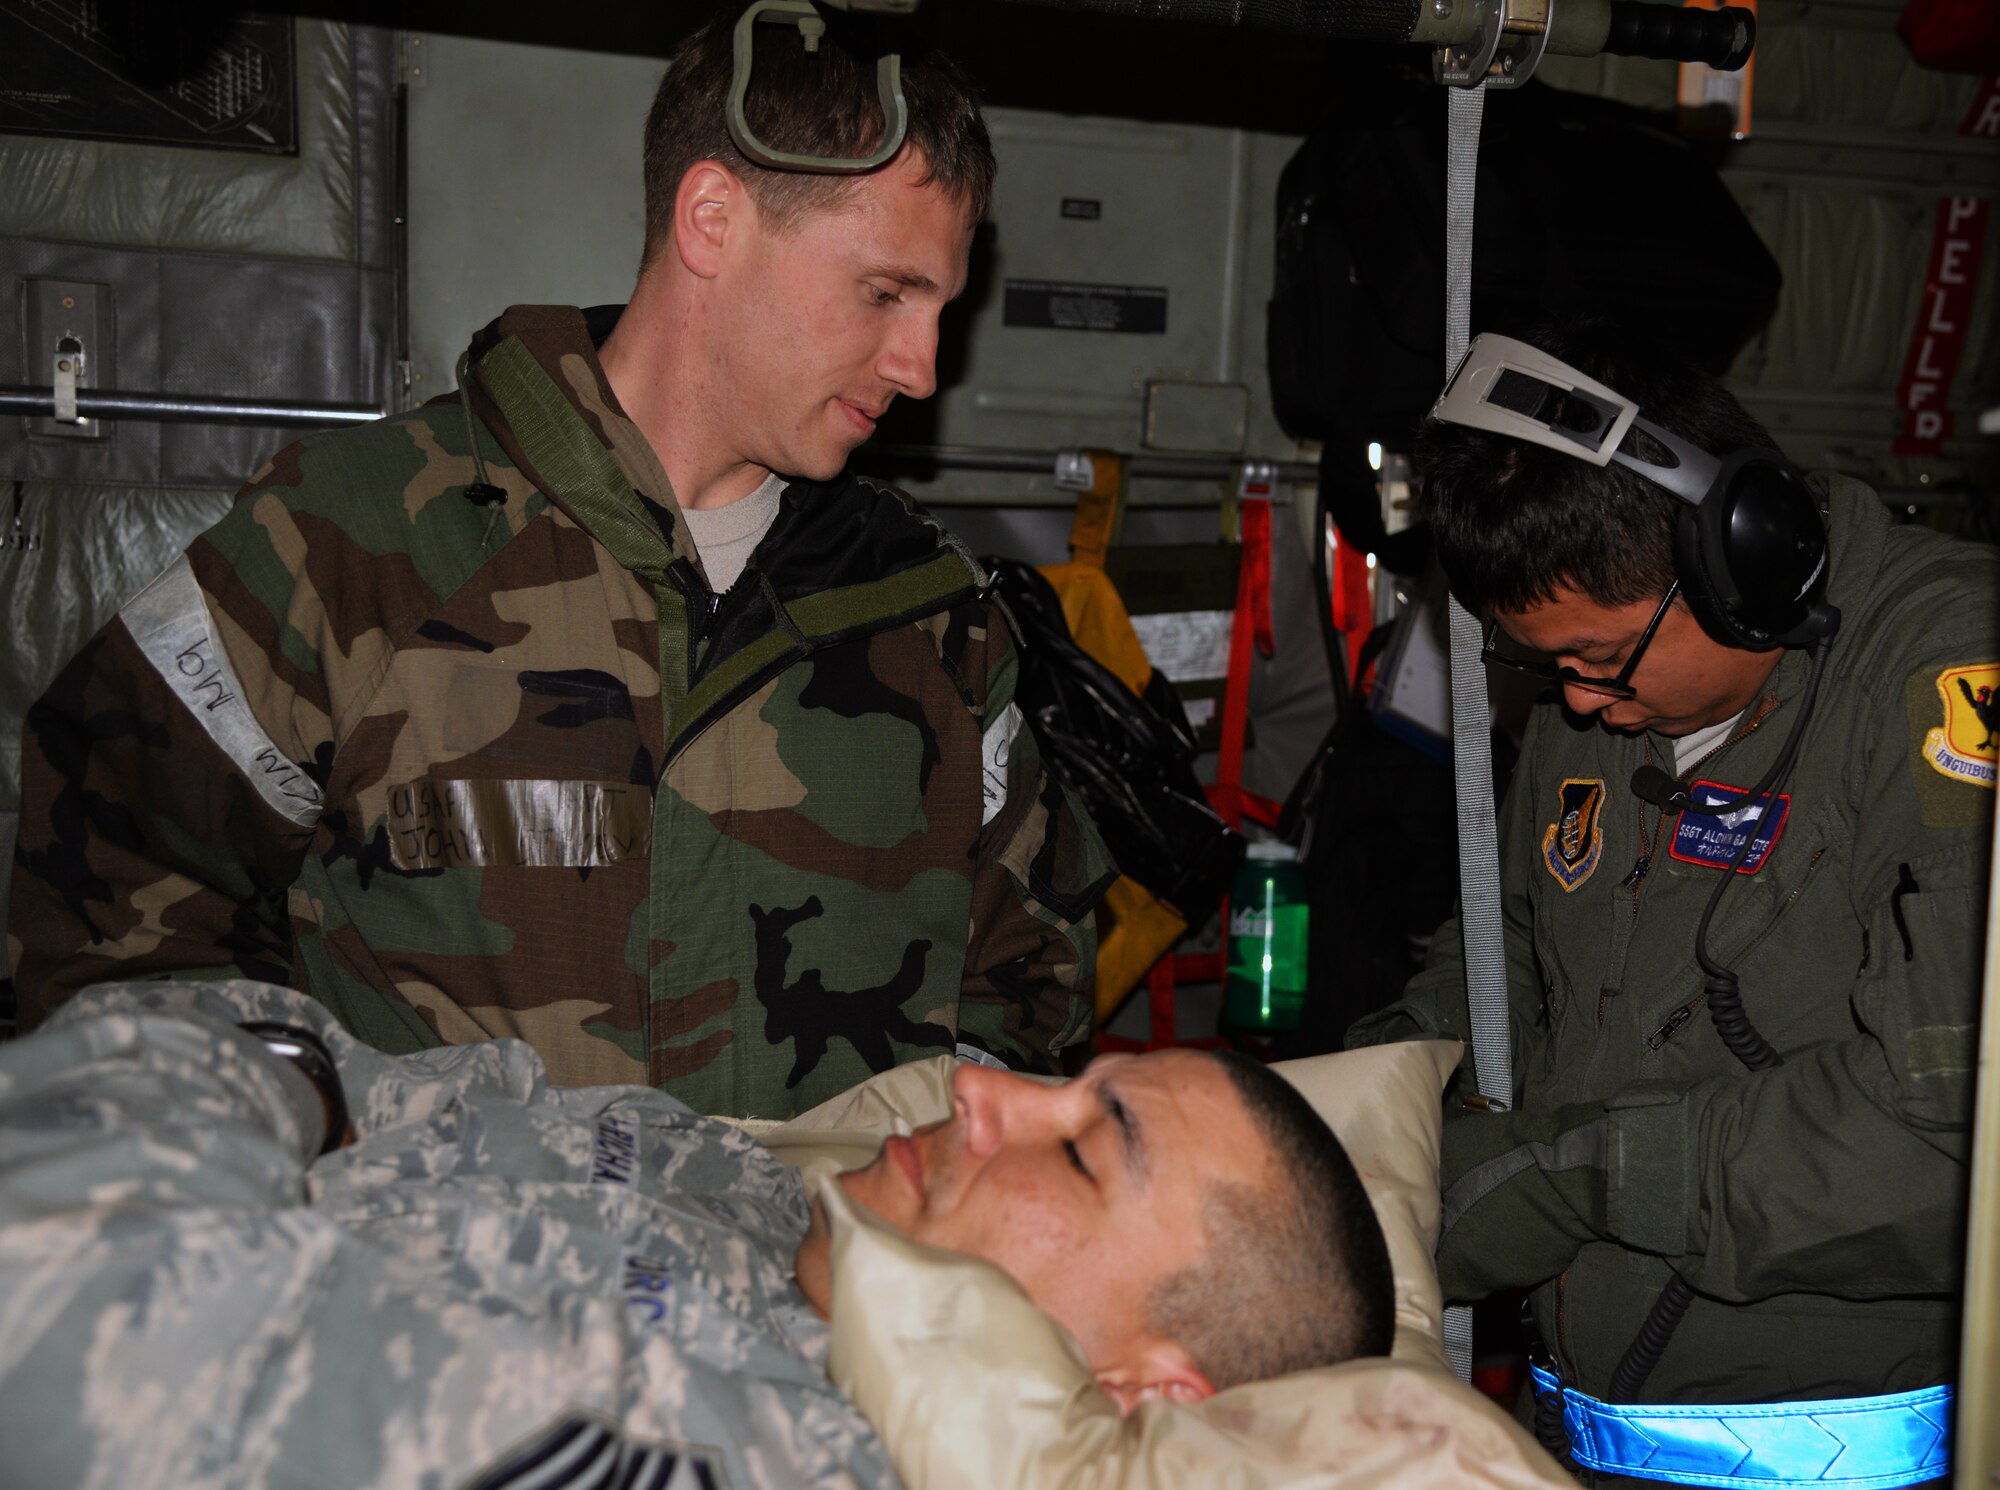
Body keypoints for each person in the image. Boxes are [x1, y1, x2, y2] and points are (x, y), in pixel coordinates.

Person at [7, 16, 1110, 1119]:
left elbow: (1031, 984)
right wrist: (310, 1171)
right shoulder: (351, 542)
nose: (919, 368)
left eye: (939, 310)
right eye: (884, 292)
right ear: (713, 221)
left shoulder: (935, 619)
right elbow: (107, 915)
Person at [1348, 324, 1992, 1483]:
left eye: (1600, 659)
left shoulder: (1942, 668)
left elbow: (1955, 1127)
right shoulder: (1593, 684)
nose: (1579, 705)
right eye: (1546, 667)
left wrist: (1585, 1173)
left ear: (1741, 561)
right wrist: (1388, 1079)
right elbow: (1511, 936)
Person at [0, 976, 1395, 1489]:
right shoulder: (729, 1180)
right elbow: (292, 1030)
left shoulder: (760, 1447)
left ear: (1141, 1387)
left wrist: (277, 1095)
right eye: (1057, 1078)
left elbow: (62, 1302)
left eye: (1082, 1149)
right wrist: (289, 1074)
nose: (981, 1086)